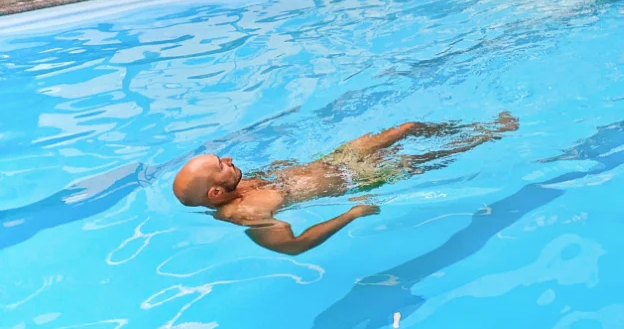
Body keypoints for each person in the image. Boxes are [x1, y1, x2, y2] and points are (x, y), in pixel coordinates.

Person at [172, 113, 517, 254]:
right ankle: (491, 134)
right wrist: (350, 215)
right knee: (425, 158)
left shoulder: (238, 185)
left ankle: (474, 125)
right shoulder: (247, 213)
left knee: (408, 128)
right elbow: (293, 246)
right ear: (215, 193)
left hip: (334, 160)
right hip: (358, 178)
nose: (229, 160)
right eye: (221, 166)